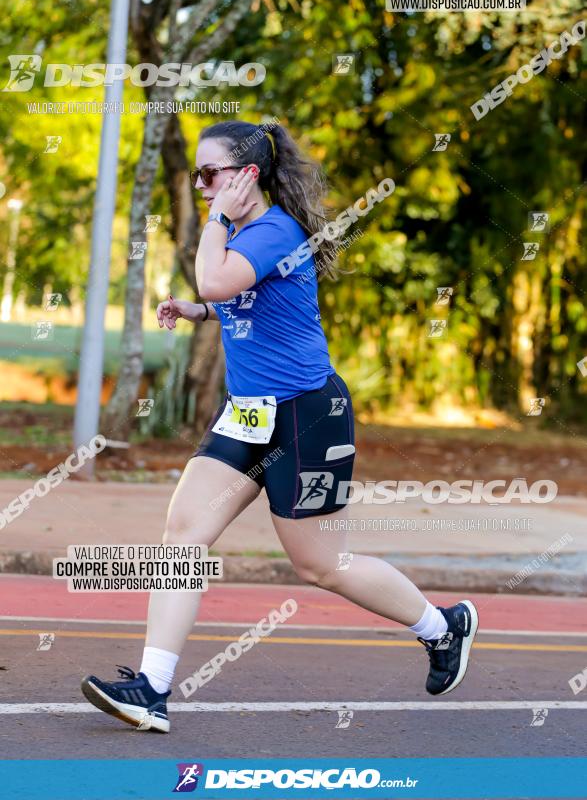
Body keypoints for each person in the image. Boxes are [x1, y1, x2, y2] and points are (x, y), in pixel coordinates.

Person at [81, 120, 478, 733]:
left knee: (321, 566)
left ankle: (441, 626)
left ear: (246, 177)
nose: (201, 187)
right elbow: (235, 293)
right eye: (196, 175)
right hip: (248, 413)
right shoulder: (247, 235)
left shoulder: (272, 229)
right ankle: (152, 688)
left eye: (209, 175)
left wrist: (211, 248)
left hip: (306, 414)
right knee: (182, 537)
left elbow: (218, 274)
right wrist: (200, 309)